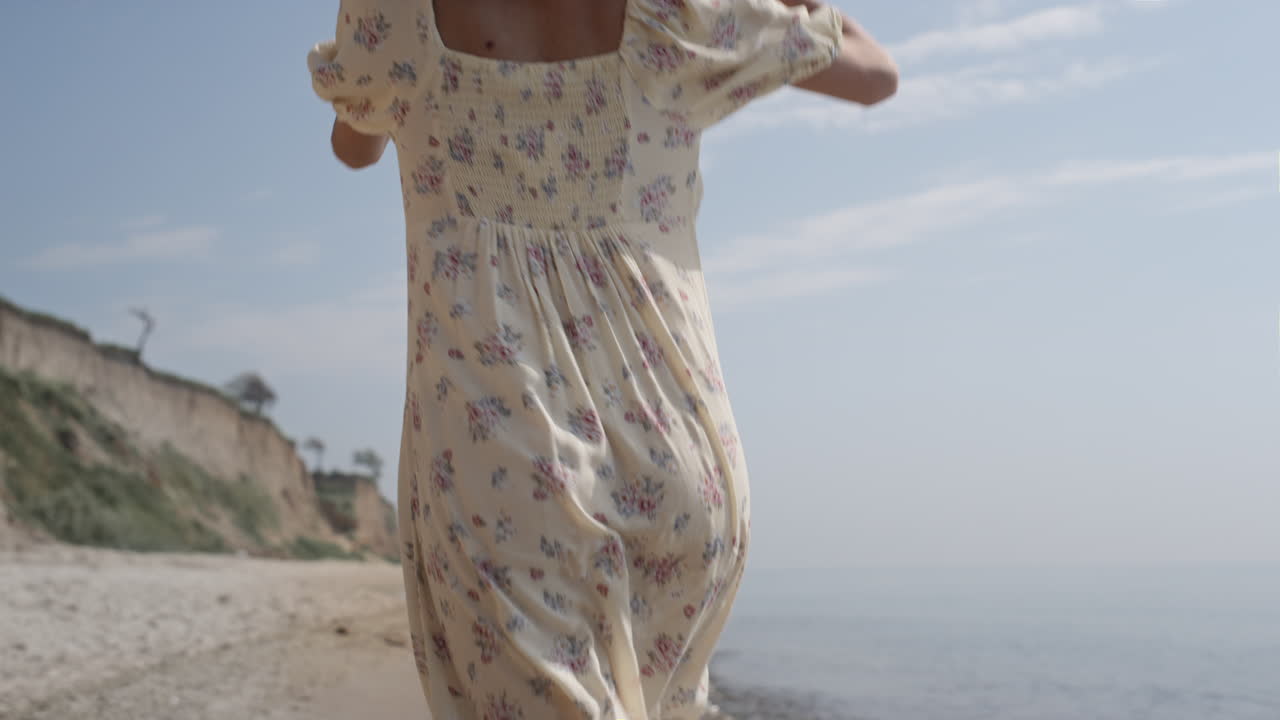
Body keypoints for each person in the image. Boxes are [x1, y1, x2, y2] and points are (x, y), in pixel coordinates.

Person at [307, 1, 896, 717]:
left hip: (503, 448)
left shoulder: (394, 12)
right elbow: (875, 75)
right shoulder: (678, 14)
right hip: (679, 442)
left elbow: (354, 143)